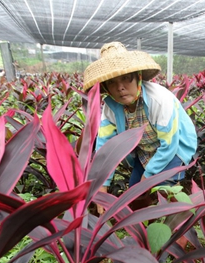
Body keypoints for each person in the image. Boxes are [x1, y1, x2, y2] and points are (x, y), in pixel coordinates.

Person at [82, 42, 198, 212]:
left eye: (126, 78)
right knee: (134, 196)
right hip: (145, 150)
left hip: (174, 149)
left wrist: (147, 177)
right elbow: (105, 147)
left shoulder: (160, 99)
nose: (120, 87)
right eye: (112, 82)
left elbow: (169, 146)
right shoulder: (111, 107)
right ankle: (141, 232)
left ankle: (175, 226)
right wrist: (102, 187)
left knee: (166, 193)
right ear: (105, 87)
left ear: (138, 77)